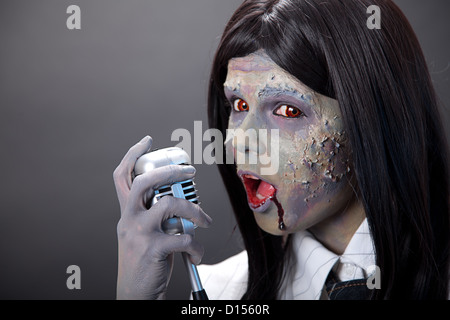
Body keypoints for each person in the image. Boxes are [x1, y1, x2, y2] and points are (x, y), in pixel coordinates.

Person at [113, 0, 449, 300]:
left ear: (374, 118)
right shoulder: (218, 294)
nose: (236, 141)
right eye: (239, 104)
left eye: (288, 111)